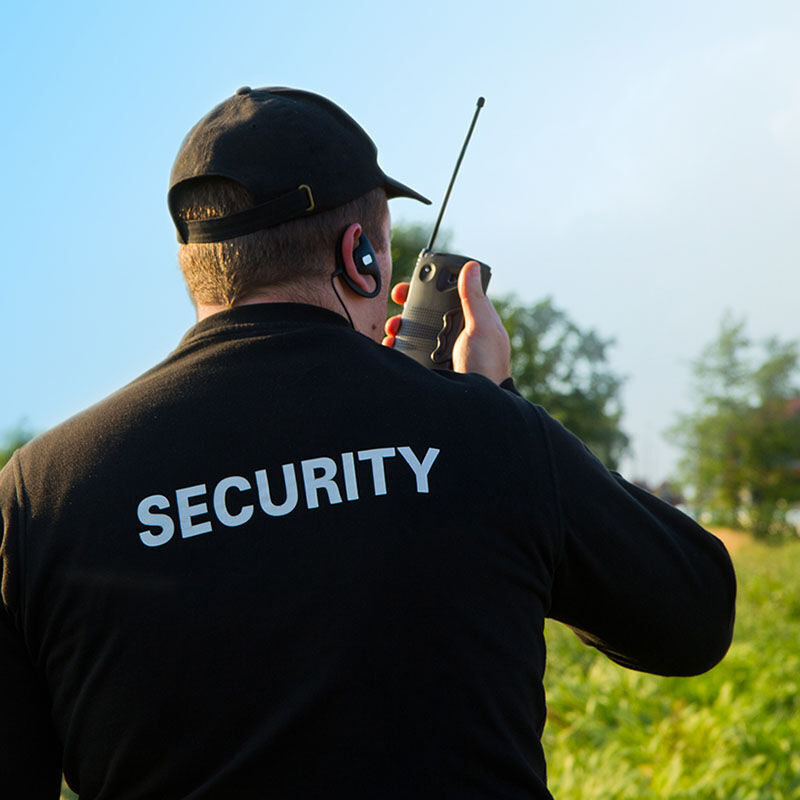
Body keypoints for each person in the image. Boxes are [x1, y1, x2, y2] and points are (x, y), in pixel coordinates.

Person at [0, 86, 735, 800]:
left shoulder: (39, 493)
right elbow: (694, 618)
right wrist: (495, 402)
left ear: (193, 264)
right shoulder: (487, 432)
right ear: (362, 257)